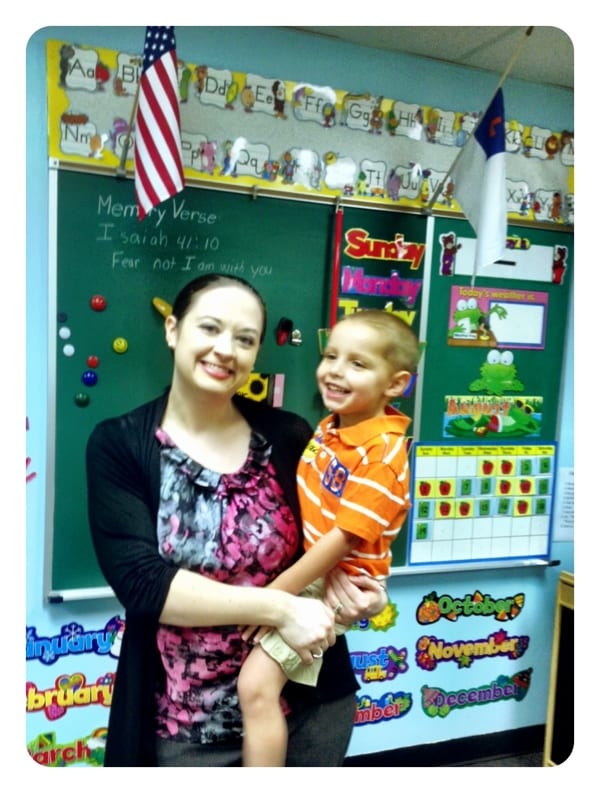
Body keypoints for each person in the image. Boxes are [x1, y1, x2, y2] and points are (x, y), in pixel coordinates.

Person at [86, 274, 388, 767]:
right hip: (188, 729)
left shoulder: (288, 436)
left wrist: (357, 594)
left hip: (309, 706)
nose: (225, 349)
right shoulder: (120, 444)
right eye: (210, 328)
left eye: (245, 339)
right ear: (172, 329)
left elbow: (335, 537)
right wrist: (279, 609)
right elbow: (143, 584)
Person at [237, 309, 419, 766]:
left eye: (358, 363)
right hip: (317, 569)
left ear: (395, 384)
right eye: (331, 355)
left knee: (256, 685)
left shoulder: (382, 456)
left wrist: (276, 594)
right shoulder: (332, 428)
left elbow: (343, 539)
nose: (335, 370)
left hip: (336, 581)